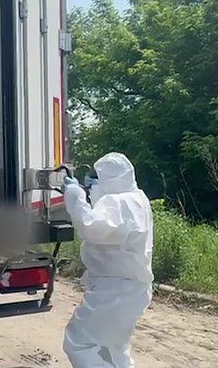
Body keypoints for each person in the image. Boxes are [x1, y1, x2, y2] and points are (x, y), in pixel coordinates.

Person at [61, 153, 153, 368]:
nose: (93, 183)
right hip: (132, 287)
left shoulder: (118, 202)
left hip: (114, 290)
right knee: (112, 348)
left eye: (97, 178)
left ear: (110, 179)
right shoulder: (138, 198)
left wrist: (74, 194)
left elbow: (91, 227)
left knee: (79, 343)